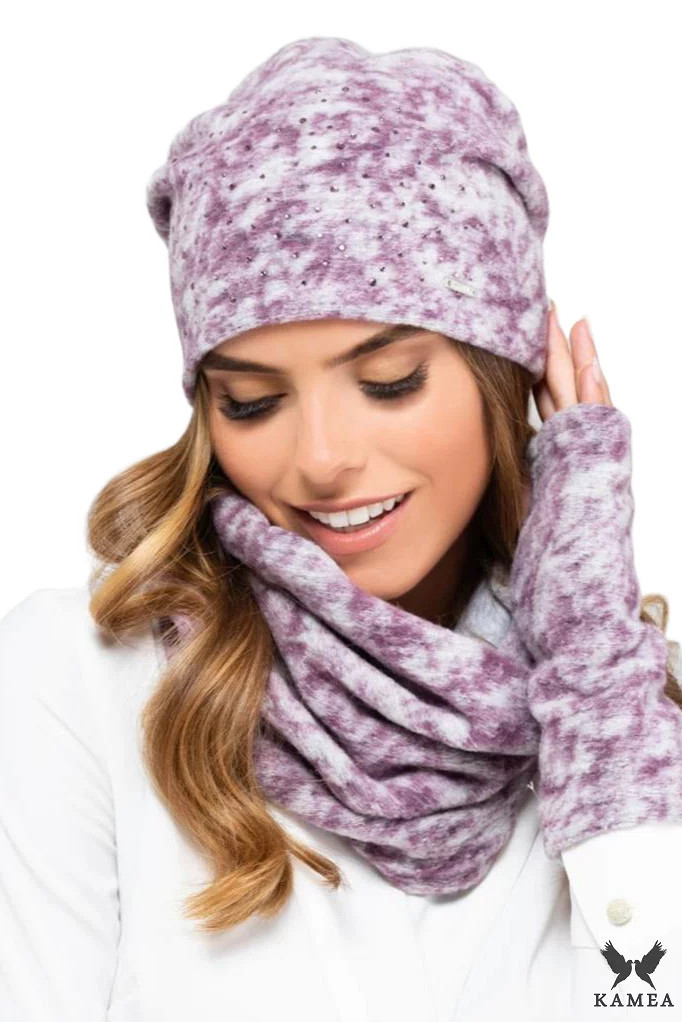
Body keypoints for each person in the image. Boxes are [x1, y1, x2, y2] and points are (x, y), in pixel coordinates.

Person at [2, 35, 682, 1022]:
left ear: (501, 375)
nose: (321, 457)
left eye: (388, 382)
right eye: (251, 401)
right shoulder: (81, 681)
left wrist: (589, 661)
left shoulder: (616, 713)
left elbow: (648, 997)